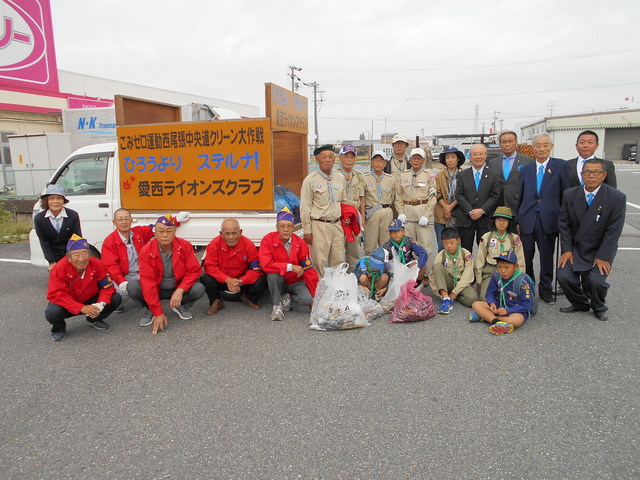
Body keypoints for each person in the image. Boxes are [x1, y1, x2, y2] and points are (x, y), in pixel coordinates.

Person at [557, 158, 626, 321]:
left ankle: (598, 305)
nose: (591, 176)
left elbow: (613, 232)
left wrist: (603, 256)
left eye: (596, 172)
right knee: (564, 276)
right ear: (581, 175)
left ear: (604, 175)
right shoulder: (570, 194)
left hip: (600, 248)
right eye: (587, 172)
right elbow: (564, 224)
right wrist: (567, 250)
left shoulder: (616, 197)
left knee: (595, 280)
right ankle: (580, 303)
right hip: (576, 247)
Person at [101, 209, 190, 323]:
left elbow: (159, 228)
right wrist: (121, 281)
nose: (124, 222)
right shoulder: (109, 241)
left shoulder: (139, 232)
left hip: (144, 272)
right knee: (119, 298)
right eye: (120, 219)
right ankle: (145, 307)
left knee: (149, 286)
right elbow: (110, 266)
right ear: (114, 222)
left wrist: (176, 220)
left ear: (131, 220)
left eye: (127, 218)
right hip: (126, 277)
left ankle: (154, 305)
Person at [517, 132, 570, 304]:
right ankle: (528, 287)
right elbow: (521, 195)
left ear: (551, 146)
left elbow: (565, 195)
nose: (541, 149)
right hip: (527, 219)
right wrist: (518, 218)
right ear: (532, 148)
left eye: (545, 145)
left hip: (549, 219)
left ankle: (546, 289)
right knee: (526, 256)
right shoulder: (525, 170)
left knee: (547, 256)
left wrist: (563, 219)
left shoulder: (561, 166)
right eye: (538, 145)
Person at [135, 214, 205, 334]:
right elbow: (148, 283)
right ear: (155, 233)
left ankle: (180, 305)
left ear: (175, 232)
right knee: (133, 287)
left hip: (177, 287)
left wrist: (180, 290)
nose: (165, 235)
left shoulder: (185, 245)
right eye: (161, 231)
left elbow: (194, 271)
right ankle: (150, 309)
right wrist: (158, 313)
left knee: (199, 288)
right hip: (157, 288)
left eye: (169, 231)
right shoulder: (146, 251)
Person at [45, 234, 121, 341]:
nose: (81, 258)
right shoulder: (59, 269)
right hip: (69, 303)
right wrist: (81, 308)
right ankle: (59, 329)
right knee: (52, 312)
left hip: (90, 299)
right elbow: (56, 294)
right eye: (76, 254)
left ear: (89, 254)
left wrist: (100, 305)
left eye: (84, 253)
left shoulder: (98, 264)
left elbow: (107, 287)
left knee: (115, 298)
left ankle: (94, 319)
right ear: (69, 258)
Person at [259, 207, 319, 321]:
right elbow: (265, 264)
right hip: (279, 279)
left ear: (294, 228)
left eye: (289, 226)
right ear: (277, 227)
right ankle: (276, 306)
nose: (286, 229)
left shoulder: (301, 243)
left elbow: (308, 270)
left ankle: (287, 298)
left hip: (295, 281)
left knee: (306, 299)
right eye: (282, 226)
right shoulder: (267, 240)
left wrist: (315, 298)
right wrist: (290, 267)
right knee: (272, 275)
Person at [200, 217, 267, 315]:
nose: (231, 237)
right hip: (223, 281)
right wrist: (227, 279)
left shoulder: (248, 245)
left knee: (262, 278)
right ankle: (216, 302)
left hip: (241, 282)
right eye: (227, 233)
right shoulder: (213, 245)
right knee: (205, 278)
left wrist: (241, 281)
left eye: (234, 233)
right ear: (221, 233)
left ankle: (248, 297)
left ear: (240, 232)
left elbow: (255, 270)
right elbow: (210, 267)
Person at [300, 144, 346, 277]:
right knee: (318, 262)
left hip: (336, 225)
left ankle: (337, 291)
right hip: (319, 225)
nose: (327, 159)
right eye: (324, 157)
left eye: (331, 156)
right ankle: (318, 293)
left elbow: (343, 202)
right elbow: (305, 207)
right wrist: (307, 230)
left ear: (335, 159)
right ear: (317, 160)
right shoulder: (310, 180)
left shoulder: (339, 177)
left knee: (338, 260)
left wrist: (346, 218)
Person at [394, 147, 438, 277]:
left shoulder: (429, 175)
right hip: (407, 213)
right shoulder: (403, 175)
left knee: (425, 247)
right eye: (414, 158)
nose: (416, 160)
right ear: (410, 159)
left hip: (423, 211)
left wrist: (426, 215)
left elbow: (432, 197)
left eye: (419, 158)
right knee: (407, 246)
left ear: (423, 160)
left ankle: (425, 276)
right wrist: (400, 212)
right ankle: (408, 275)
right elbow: (398, 197)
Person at [470, 251, 534, 336]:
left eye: (507, 267)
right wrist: (492, 303)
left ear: (516, 267)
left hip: (515, 310)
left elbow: (526, 305)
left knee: (516, 320)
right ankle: (496, 322)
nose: (503, 271)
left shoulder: (523, 282)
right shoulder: (496, 276)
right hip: (498, 306)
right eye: (500, 267)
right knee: (476, 304)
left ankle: (486, 317)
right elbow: (490, 293)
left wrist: (508, 311)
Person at [453, 143, 502, 252]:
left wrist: (482, 210)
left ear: (485, 156)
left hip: (485, 219)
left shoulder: (493, 174)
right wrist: (470, 211)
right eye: (475, 154)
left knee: (486, 250)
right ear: (470, 156)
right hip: (466, 219)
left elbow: (495, 195)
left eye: (481, 154)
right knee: (465, 250)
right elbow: (459, 195)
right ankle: (467, 269)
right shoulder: (462, 175)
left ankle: (483, 269)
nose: (478, 157)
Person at [474, 206, 526, 300]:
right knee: (484, 298)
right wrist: (479, 281)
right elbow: (480, 260)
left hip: (510, 271)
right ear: (494, 221)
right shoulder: (486, 237)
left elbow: (520, 261)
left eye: (505, 220)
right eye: (498, 219)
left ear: (509, 222)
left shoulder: (514, 239)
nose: (501, 223)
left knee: (512, 297)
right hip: (491, 271)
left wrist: (520, 280)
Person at [430, 227, 478, 314]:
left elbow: (467, 276)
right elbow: (433, 277)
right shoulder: (441, 255)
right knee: (437, 267)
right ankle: (446, 298)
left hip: (461, 282)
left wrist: (454, 293)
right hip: (448, 282)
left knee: (472, 299)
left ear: (458, 240)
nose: (449, 246)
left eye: (452, 243)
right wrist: (440, 294)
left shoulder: (466, 254)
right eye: (445, 243)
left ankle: (452, 297)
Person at [33, 185, 82, 271]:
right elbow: (44, 241)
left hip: (71, 254)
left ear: (63, 201)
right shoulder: (39, 218)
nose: (55, 201)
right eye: (51, 198)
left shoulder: (73, 215)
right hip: (54, 256)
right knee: (58, 281)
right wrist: (51, 262)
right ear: (46, 201)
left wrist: (74, 258)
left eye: (59, 198)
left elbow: (77, 237)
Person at [487, 130, 533, 220]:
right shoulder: (493, 163)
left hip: (517, 208)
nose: (507, 144)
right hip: (497, 209)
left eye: (510, 141)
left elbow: (530, 187)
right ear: (500, 144)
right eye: (504, 142)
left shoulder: (528, 162)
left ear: (516, 143)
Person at [335, 144, 365, 272]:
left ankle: (353, 279)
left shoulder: (358, 176)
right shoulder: (334, 175)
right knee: (338, 253)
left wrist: (362, 218)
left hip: (354, 216)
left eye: (352, 157)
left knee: (354, 252)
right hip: (338, 216)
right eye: (346, 156)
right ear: (340, 158)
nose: (349, 160)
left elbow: (362, 197)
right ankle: (339, 281)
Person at [361, 150, 395, 255]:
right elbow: (362, 199)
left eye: (381, 161)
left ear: (385, 163)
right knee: (369, 244)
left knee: (386, 245)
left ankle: (385, 269)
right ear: (371, 162)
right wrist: (362, 218)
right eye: (375, 160)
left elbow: (393, 198)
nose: (378, 163)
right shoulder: (364, 178)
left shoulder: (391, 179)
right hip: (372, 213)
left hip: (386, 212)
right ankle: (368, 269)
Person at [434, 147, 465, 251]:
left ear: (458, 159)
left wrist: (451, 207)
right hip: (441, 213)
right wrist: (446, 207)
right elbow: (437, 192)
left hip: (458, 213)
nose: (450, 160)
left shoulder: (464, 174)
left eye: (453, 157)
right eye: (447, 158)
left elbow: (463, 193)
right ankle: (442, 265)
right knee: (441, 245)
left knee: (457, 244)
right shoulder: (439, 175)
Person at [382, 219, 428, 284]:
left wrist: (418, 266)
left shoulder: (408, 241)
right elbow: (384, 262)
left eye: (398, 231)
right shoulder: (387, 246)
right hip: (395, 269)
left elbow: (423, 253)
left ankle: (417, 284)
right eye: (392, 232)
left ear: (404, 232)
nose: (396, 233)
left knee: (422, 265)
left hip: (408, 265)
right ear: (389, 234)